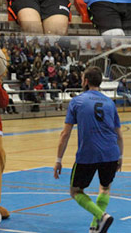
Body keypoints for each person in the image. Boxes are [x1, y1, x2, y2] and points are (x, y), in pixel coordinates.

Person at [54, 66, 123, 233]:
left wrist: (58, 160)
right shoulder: (109, 103)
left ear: (85, 81)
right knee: (105, 187)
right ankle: (95, 227)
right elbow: (119, 134)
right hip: (111, 152)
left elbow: (65, 133)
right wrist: (120, 156)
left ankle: (101, 216)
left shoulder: (77, 101)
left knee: (75, 191)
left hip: (88, 154)